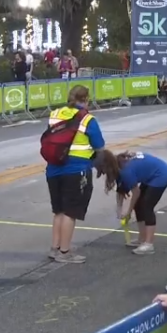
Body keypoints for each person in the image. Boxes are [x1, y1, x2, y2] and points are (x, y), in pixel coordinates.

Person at [46, 85, 106, 263]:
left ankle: (55, 248)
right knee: (70, 212)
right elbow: (99, 146)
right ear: (86, 99)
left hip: (53, 168)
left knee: (58, 210)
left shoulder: (55, 114)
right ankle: (65, 252)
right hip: (76, 169)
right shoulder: (87, 119)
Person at [101, 150, 167, 254]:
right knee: (138, 206)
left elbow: (136, 192)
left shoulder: (125, 171)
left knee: (147, 206)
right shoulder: (118, 165)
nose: (102, 172)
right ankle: (142, 239)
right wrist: (119, 210)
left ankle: (149, 244)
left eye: (102, 169)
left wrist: (128, 212)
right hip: (150, 175)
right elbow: (121, 189)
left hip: (161, 175)